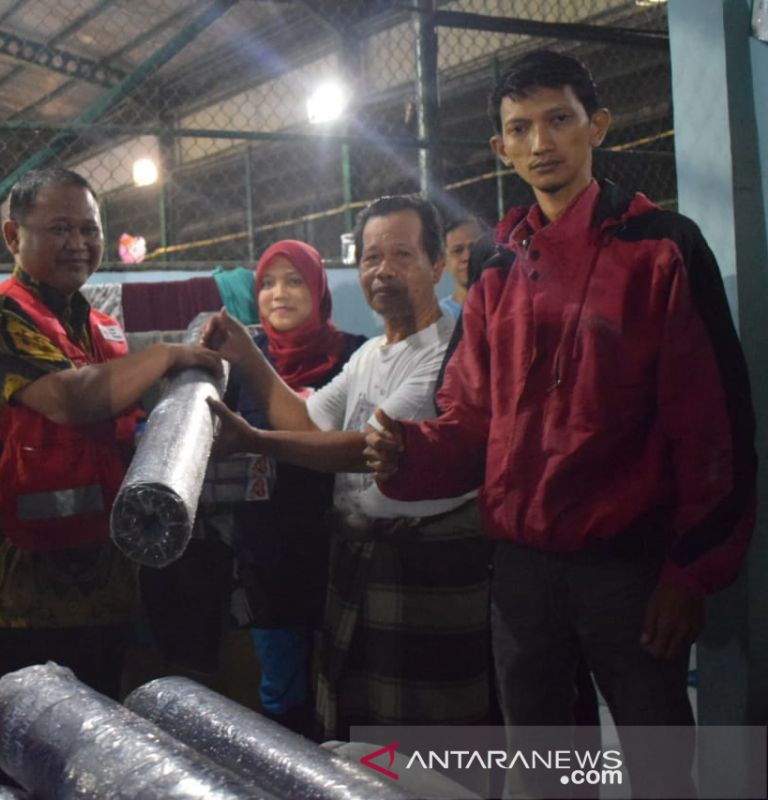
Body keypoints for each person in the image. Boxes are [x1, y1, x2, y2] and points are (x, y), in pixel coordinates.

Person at [364, 50, 755, 798]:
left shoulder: (662, 250)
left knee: (660, 770)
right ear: (501, 150)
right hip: (521, 575)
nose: (541, 142)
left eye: (558, 120)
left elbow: (713, 429)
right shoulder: (496, 269)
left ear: (596, 127)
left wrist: (690, 573)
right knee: (546, 775)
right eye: (521, 128)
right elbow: (471, 418)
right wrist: (406, 451)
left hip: (632, 573)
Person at [204, 195, 491, 743]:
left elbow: (369, 447)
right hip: (363, 559)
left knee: (429, 744)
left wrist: (253, 440)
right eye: (370, 258)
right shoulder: (369, 356)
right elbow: (309, 421)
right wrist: (247, 353)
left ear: (436, 265)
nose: (382, 271)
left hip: (423, 564)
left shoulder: (448, 350)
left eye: (401, 255)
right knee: (365, 738)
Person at [0, 166, 221, 699]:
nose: (79, 244)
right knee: (29, 757)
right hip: (19, 598)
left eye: (89, 230)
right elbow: (71, 398)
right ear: (12, 236)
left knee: (99, 764)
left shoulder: (97, 328)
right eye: (60, 229)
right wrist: (165, 355)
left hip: (108, 588)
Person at [223, 240, 364, 736]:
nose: (279, 294)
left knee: (346, 690)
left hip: (340, 547)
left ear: (319, 287)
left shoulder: (357, 356)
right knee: (281, 693)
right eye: (267, 283)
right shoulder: (239, 362)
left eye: (295, 280)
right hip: (267, 553)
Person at [437, 214, 486, 320]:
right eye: (457, 250)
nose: (467, 257)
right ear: (444, 263)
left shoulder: (513, 306)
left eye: (475, 247)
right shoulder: (440, 319)